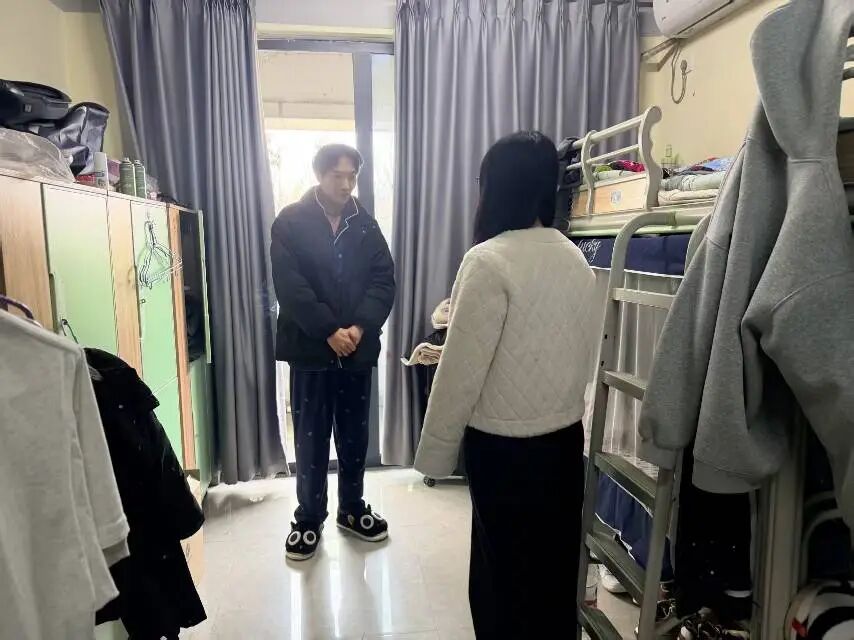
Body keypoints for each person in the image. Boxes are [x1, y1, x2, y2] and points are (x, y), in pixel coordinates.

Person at [414, 131, 598, 637]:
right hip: (564, 444)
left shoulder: (488, 260)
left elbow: (459, 373)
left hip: (503, 451)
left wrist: (434, 456)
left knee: (501, 584)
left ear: (493, 188)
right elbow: (585, 355)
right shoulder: (576, 258)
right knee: (553, 579)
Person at [270, 144, 396, 561]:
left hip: (356, 350)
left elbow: (383, 280)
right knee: (310, 438)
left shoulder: (365, 224)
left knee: (355, 436)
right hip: (311, 350)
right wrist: (328, 331)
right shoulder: (290, 221)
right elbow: (291, 286)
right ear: (319, 175)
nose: (345, 184)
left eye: (351, 176)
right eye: (337, 175)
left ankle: (352, 509)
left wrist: (358, 327)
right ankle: (308, 519)